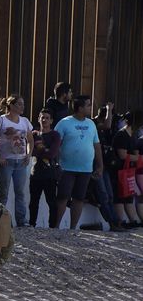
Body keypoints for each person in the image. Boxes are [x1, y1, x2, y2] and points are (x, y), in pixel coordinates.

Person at [52, 95, 103, 229]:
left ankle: (73, 228)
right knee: (63, 196)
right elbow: (55, 143)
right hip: (66, 167)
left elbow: (96, 145)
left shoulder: (91, 123)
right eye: (88, 105)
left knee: (79, 197)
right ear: (80, 108)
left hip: (85, 168)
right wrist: (56, 163)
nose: (90, 108)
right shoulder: (64, 123)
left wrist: (100, 165)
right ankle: (56, 226)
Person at [0, 96, 34, 227]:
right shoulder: (0, 121)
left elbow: (30, 140)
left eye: (23, 104)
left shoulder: (25, 121)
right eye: (19, 104)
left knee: (20, 192)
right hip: (6, 161)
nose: (22, 107)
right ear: (12, 106)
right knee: (3, 192)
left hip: (21, 161)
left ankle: (21, 220)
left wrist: (29, 154)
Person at [108, 110, 141, 228]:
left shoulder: (133, 134)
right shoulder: (121, 135)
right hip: (119, 170)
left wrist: (135, 156)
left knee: (128, 196)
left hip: (128, 170)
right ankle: (120, 221)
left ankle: (133, 220)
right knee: (119, 196)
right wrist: (136, 157)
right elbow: (122, 155)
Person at [29, 109, 62, 228]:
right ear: (38, 119)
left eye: (47, 118)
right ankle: (32, 223)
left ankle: (52, 226)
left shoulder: (55, 135)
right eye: (42, 117)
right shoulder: (34, 134)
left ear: (51, 120)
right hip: (36, 172)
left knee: (51, 201)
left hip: (50, 173)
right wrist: (44, 150)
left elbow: (52, 153)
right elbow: (30, 151)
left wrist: (39, 151)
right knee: (33, 201)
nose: (44, 120)